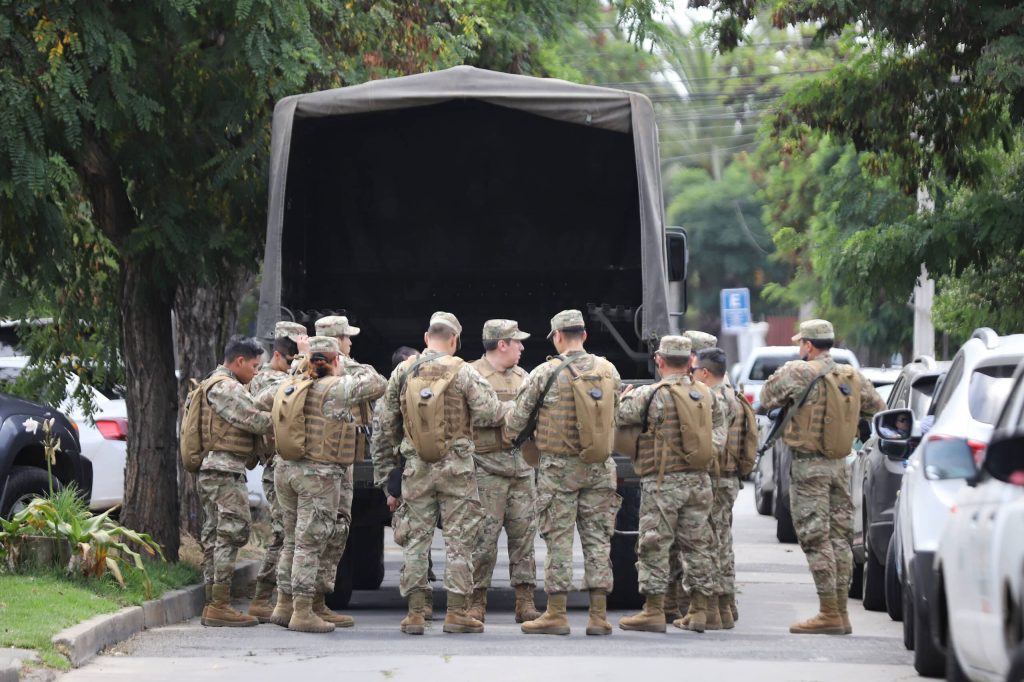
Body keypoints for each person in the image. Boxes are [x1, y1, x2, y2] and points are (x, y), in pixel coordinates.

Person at [371, 312, 507, 635]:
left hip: (416, 467)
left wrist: (386, 478)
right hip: (457, 468)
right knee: (459, 539)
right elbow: (490, 412)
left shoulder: (403, 371)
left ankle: (416, 612)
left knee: (416, 539)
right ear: (454, 340)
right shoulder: (464, 371)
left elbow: (383, 426)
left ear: (425, 337)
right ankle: (458, 612)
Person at [760, 319, 885, 635]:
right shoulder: (851, 375)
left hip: (809, 467)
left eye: (801, 342)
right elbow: (878, 407)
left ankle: (829, 613)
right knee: (839, 540)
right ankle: (840, 612)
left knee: (815, 539)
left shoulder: (798, 371)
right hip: (840, 467)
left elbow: (767, 396)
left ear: (808, 345)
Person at [506, 309, 622, 636]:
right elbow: (618, 412)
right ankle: (599, 616)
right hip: (600, 467)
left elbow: (516, 421)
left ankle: (556, 613)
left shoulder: (544, 373)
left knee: (558, 540)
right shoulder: (608, 370)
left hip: (558, 468)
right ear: (584, 335)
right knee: (598, 539)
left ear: (557, 337)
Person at [269, 336, 386, 633]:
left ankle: (285, 605)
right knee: (310, 543)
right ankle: (304, 611)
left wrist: (303, 362)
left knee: (293, 540)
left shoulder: (291, 384)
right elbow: (377, 382)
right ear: (334, 361)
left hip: (286, 470)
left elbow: (261, 401)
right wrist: (343, 362)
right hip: (316, 475)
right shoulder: (337, 388)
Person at [614, 335, 725, 634]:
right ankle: (700, 611)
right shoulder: (707, 394)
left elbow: (620, 416)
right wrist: (702, 455)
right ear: (691, 362)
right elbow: (719, 433)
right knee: (698, 545)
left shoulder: (650, 395)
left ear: (659, 361)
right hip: (699, 482)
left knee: (654, 544)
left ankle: (653, 611)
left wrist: (624, 396)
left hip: (662, 483)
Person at [312, 315, 385, 623]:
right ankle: (311, 604)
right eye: (347, 337)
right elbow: (379, 386)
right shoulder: (349, 372)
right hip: (334, 464)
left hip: (301, 463)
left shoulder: (294, 371)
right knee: (328, 530)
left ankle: (299, 602)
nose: (351, 342)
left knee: (302, 535)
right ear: (336, 341)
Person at [467, 319, 540, 624]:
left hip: (521, 471)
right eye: (517, 341)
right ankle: (476, 602)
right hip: (486, 470)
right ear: (502, 344)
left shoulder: (525, 377)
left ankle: (525, 601)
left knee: (524, 540)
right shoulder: (470, 375)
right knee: (482, 540)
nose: (522, 347)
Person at [197, 336, 273, 628]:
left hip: (219, 470)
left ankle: (213, 602)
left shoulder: (214, 383)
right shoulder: (225, 387)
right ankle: (218, 605)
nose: (256, 372)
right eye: (254, 366)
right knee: (231, 532)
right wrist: (286, 419)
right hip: (222, 471)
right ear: (239, 361)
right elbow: (254, 419)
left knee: (216, 534)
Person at [246, 321, 307, 622]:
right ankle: (262, 597)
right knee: (284, 534)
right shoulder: (267, 379)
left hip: (285, 465)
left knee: (289, 534)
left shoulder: (281, 375)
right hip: (275, 467)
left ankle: (284, 597)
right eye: (295, 358)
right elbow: (283, 395)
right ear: (282, 356)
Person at [693, 346, 756, 627]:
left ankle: (713, 611)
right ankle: (726, 606)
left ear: (705, 372)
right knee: (723, 542)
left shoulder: (713, 398)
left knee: (710, 544)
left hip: (715, 478)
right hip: (730, 477)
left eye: (695, 371)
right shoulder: (736, 396)